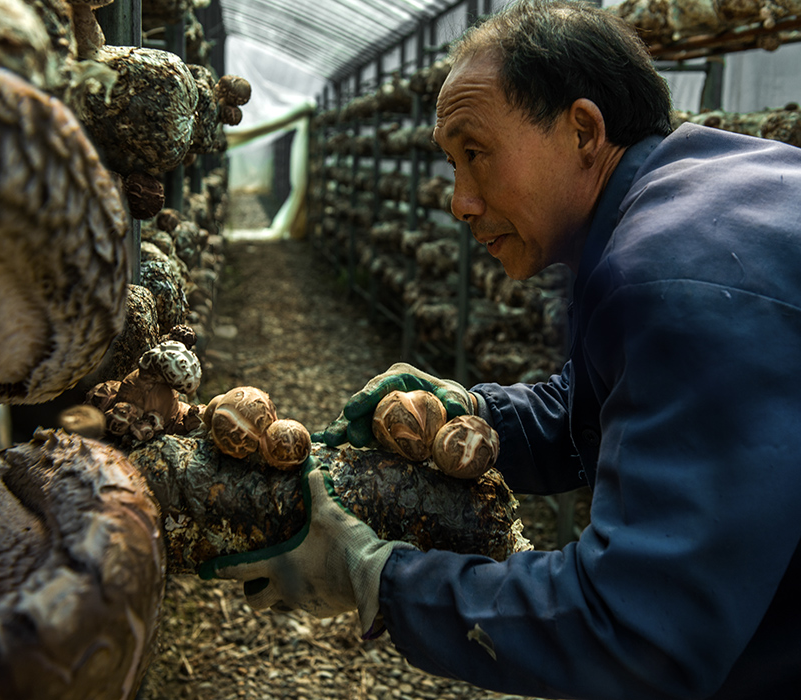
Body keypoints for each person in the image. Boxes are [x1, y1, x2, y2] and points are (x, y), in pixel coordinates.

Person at [202, 1, 801, 697]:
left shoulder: (676, 278)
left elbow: (633, 630)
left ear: (582, 129)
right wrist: (471, 412)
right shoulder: (703, 189)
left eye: (476, 154)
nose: (460, 201)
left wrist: (377, 577)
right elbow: (602, 404)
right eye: (451, 163)